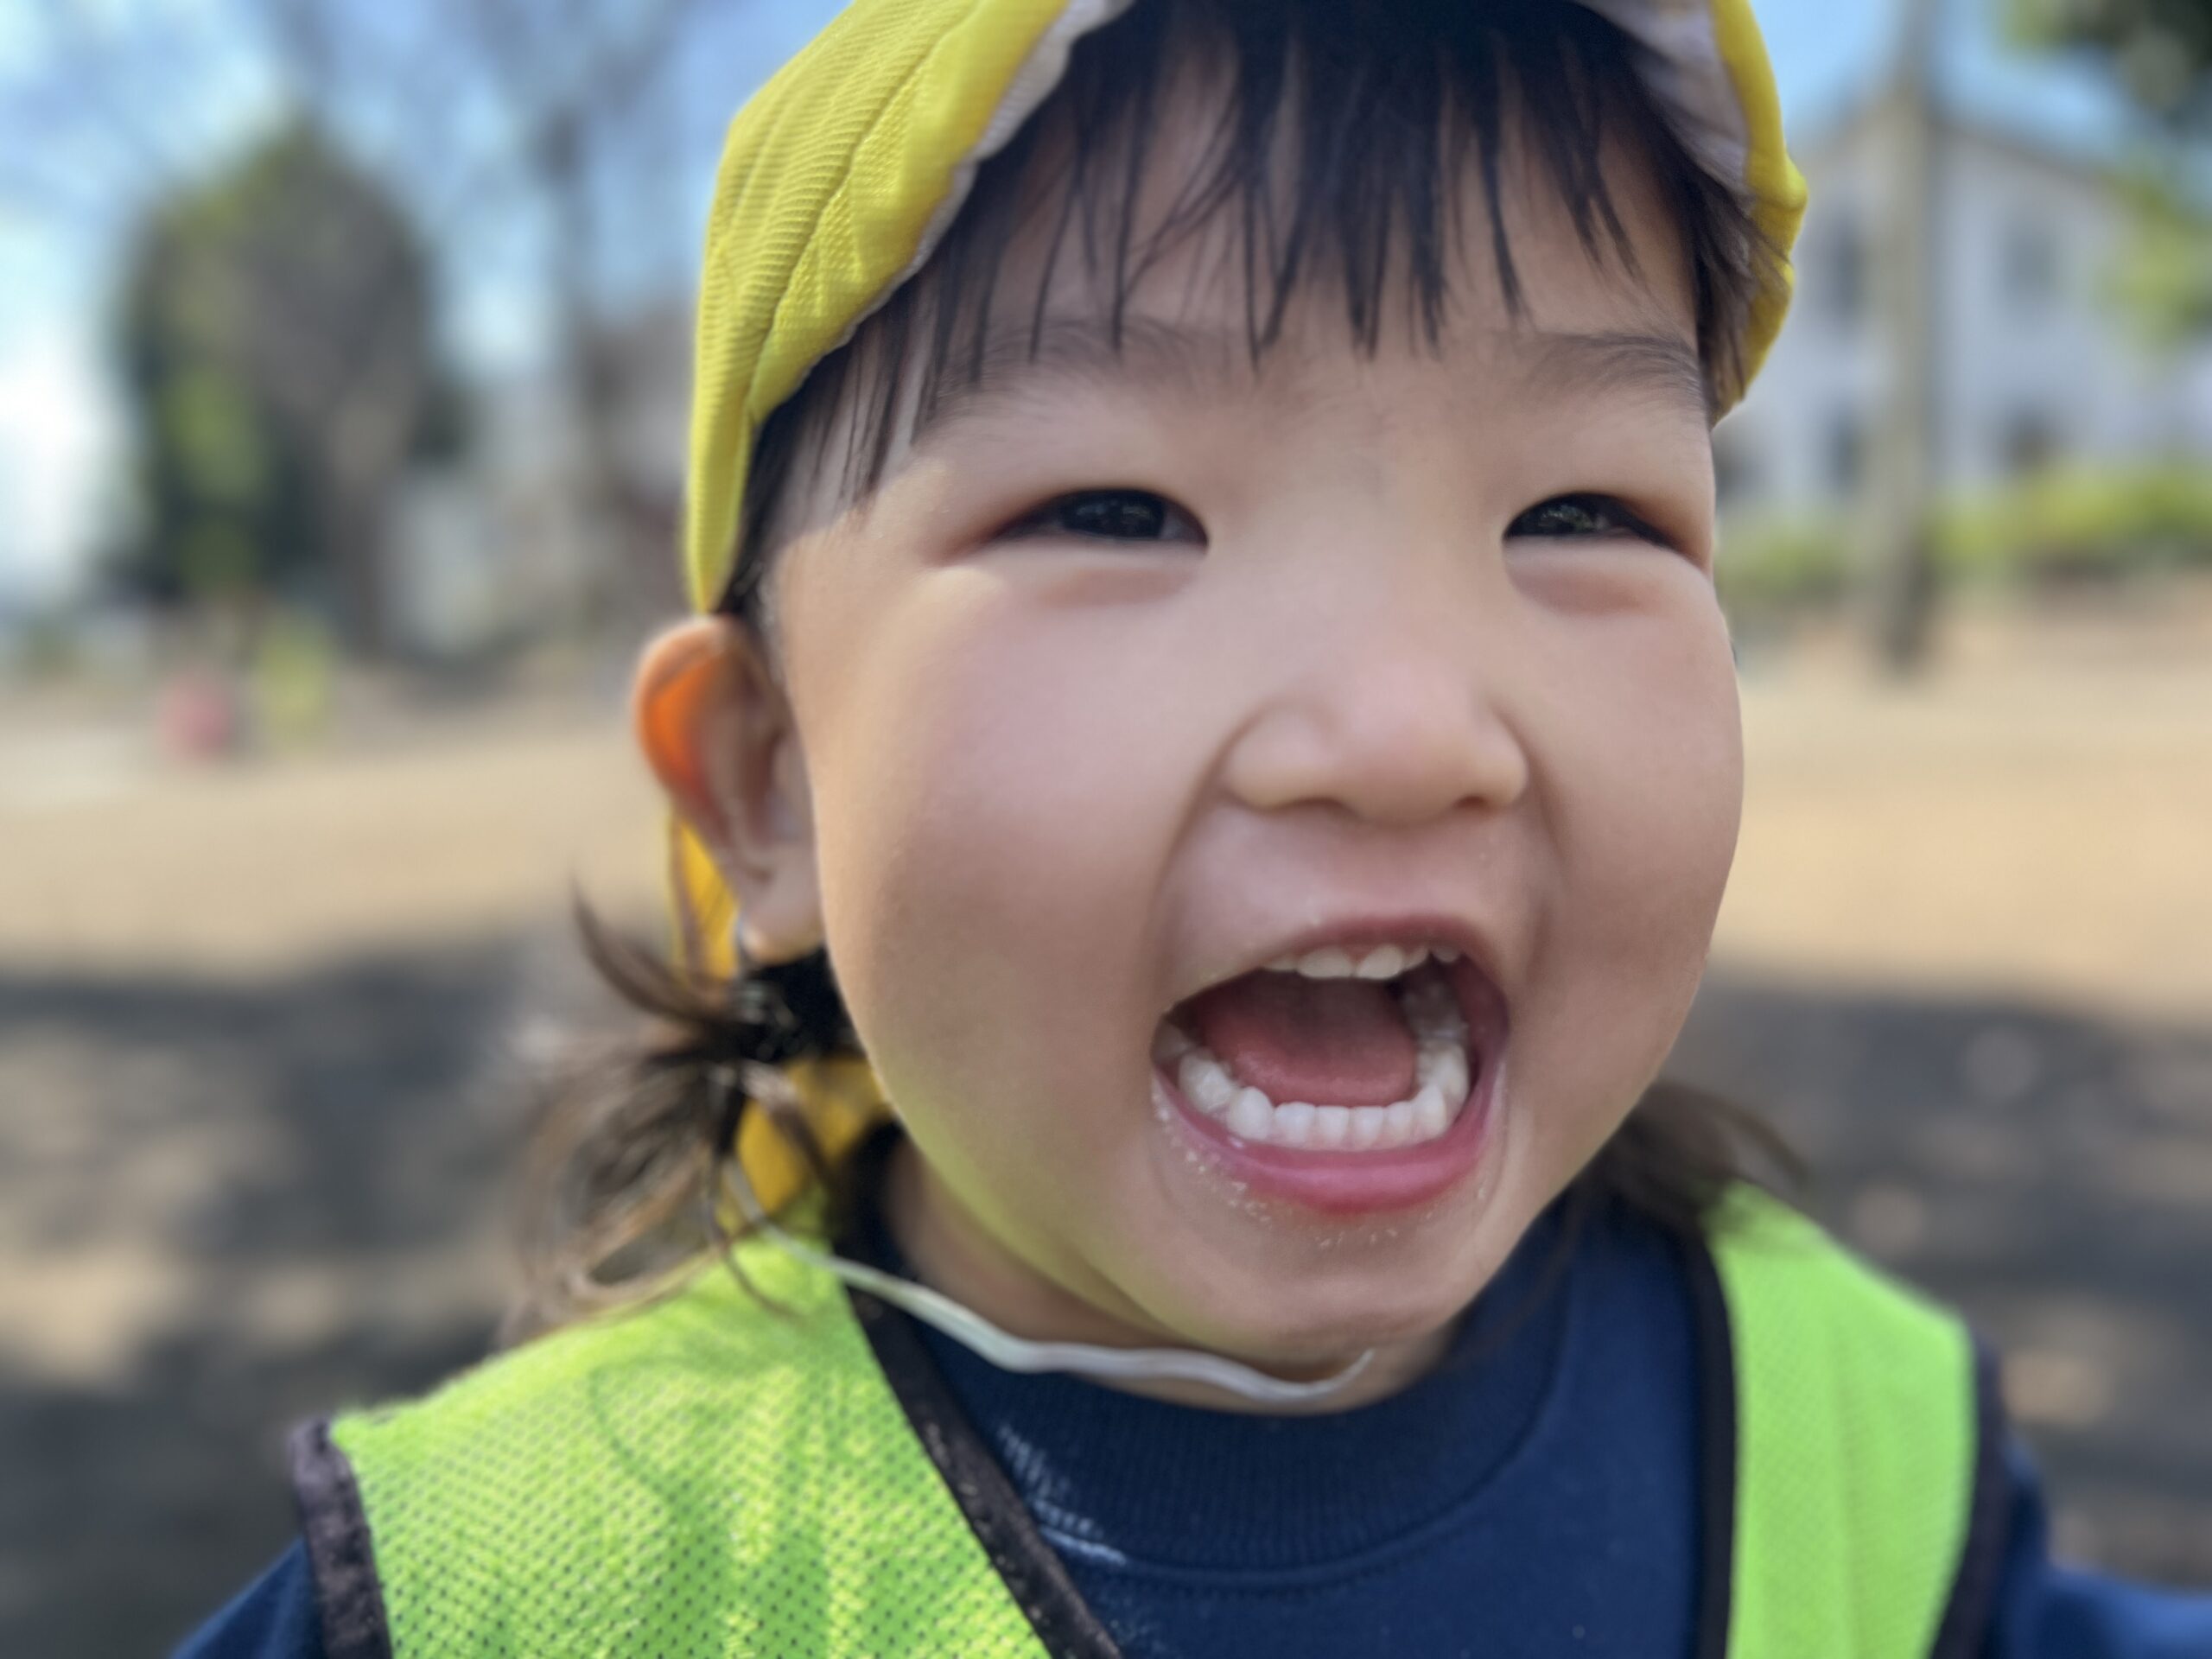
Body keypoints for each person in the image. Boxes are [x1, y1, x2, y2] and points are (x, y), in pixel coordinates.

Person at [178, 1, 2212, 1655]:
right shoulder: (516, 1589)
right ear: (767, 785)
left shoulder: (1859, 1437)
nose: (1410, 731)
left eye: (1576, 515)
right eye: (1119, 513)